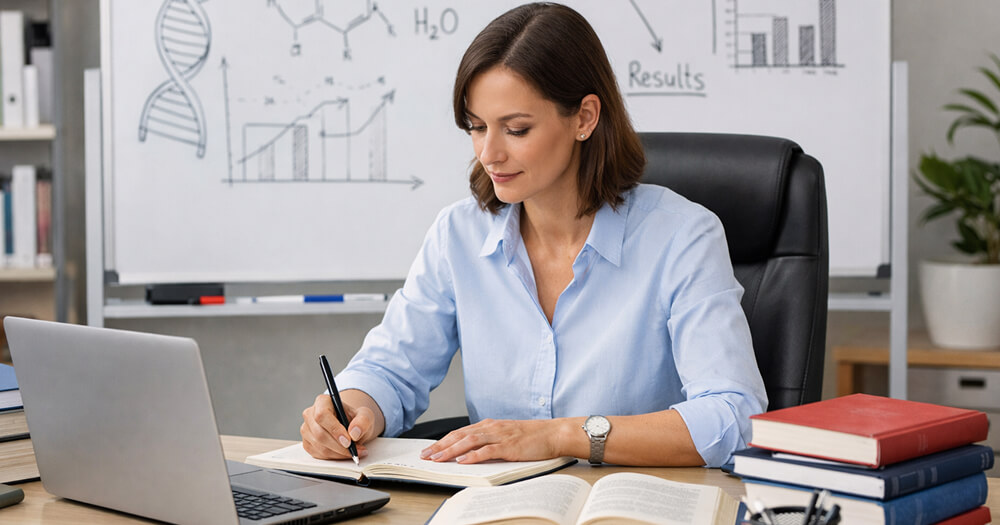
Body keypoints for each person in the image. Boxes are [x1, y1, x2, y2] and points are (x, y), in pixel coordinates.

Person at [300, 2, 766, 468]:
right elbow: (390, 369)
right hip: (498, 508)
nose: (489, 153)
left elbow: (734, 416)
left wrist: (563, 436)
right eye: (477, 127)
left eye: (516, 129)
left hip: (631, 507)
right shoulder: (458, 235)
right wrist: (352, 410)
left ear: (585, 118)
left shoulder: (683, 236)